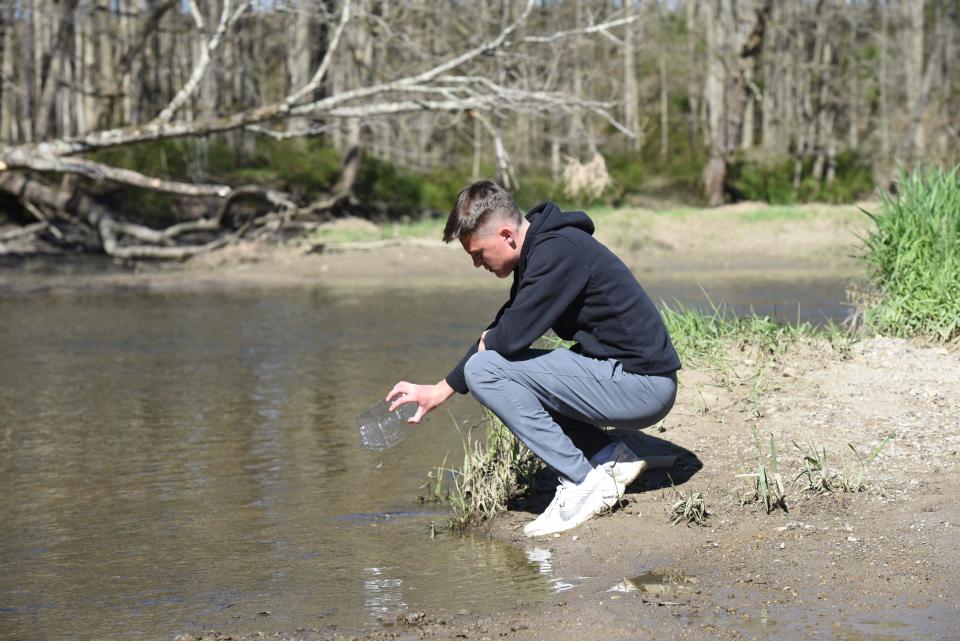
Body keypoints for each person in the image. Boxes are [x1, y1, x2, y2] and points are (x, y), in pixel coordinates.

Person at [388, 180, 681, 536]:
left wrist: (490, 343)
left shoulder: (558, 252)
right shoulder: (544, 250)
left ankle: (585, 483)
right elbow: (504, 326)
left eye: (478, 253)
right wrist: (441, 389)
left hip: (643, 386)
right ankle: (608, 456)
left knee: (489, 369)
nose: (478, 265)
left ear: (507, 234)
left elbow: (504, 340)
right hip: (630, 378)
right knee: (508, 368)